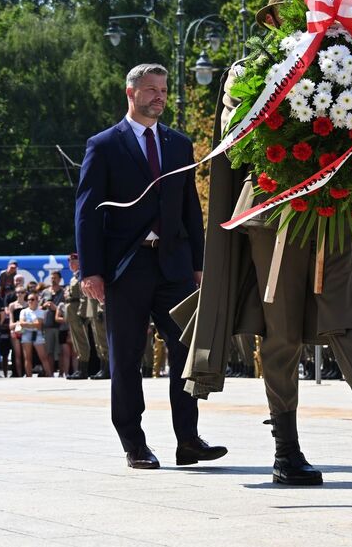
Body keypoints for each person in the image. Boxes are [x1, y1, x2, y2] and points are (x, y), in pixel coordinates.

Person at [174, 0, 352, 486]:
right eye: (285, 14)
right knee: (281, 329)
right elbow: (236, 140)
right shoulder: (252, 72)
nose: (294, 20)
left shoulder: (348, 59)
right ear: (269, 20)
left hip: (333, 203)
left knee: (344, 311)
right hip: (272, 211)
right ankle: (286, 450)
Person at [75, 62, 224, 470]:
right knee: (126, 357)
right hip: (126, 266)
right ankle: (134, 442)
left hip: (173, 266)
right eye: (151, 90)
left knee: (186, 353)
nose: (159, 96)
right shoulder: (103, 145)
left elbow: (191, 207)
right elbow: (86, 212)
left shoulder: (179, 144)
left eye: (162, 90)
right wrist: (91, 270)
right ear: (131, 93)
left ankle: (188, 440)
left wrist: (199, 263)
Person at [65, 254, 89, 380]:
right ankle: (80, 369)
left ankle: (83, 369)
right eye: (69, 262)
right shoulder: (74, 277)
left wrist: (82, 312)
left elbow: (84, 296)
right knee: (76, 341)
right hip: (72, 310)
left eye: (73, 261)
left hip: (77, 310)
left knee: (81, 340)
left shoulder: (81, 276)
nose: (70, 264)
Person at [39, 270, 66, 376]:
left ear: (60, 279)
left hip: (61, 326)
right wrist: (45, 305)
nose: (53, 280)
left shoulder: (63, 292)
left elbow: (66, 309)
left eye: (55, 278)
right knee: (49, 351)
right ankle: (50, 373)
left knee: (60, 352)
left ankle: (61, 373)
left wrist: (56, 308)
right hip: (48, 325)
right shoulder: (45, 292)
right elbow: (39, 307)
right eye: (51, 278)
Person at [18, 292, 49, 377]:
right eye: (28, 300)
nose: (30, 301)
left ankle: (49, 374)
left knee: (43, 356)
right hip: (26, 333)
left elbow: (38, 325)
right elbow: (21, 323)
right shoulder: (23, 311)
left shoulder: (40, 311)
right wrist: (32, 323)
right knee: (27, 357)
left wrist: (27, 323)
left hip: (37, 333)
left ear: (37, 300)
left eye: (32, 299)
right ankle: (29, 376)